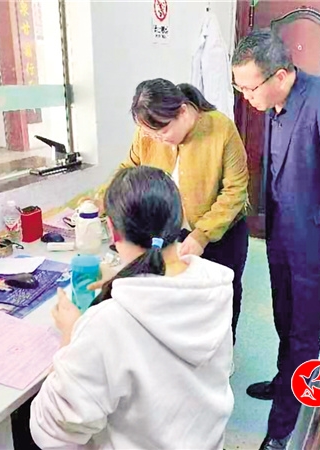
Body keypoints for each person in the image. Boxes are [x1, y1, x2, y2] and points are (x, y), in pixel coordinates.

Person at [30, 166, 235, 449]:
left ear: (112, 231)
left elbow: (52, 432)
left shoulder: (107, 323)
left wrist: (70, 337)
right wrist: (122, 278)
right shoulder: (213, 287)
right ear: (179, 219)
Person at [231, 30, 320, 448]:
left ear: (280, 74)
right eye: (240, 88)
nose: (246, 97)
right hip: (282, 236)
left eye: (250, 88)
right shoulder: (273, 104)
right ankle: (284, 381)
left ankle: (281, 429)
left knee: (305, 335)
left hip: (318, 243)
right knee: (284, 319)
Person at [96, 79, 249, 348]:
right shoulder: (148, 132)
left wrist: (202, 235)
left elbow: (235, 190)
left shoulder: (221, 128)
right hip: (169, 232)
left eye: (163, 131)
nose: (159, 139)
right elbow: (130, 167)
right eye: (151, 134)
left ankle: (222, 352)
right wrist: (103, 197)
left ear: (182, 111)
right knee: (174, 297)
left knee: (221, 296)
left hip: (222, 233)